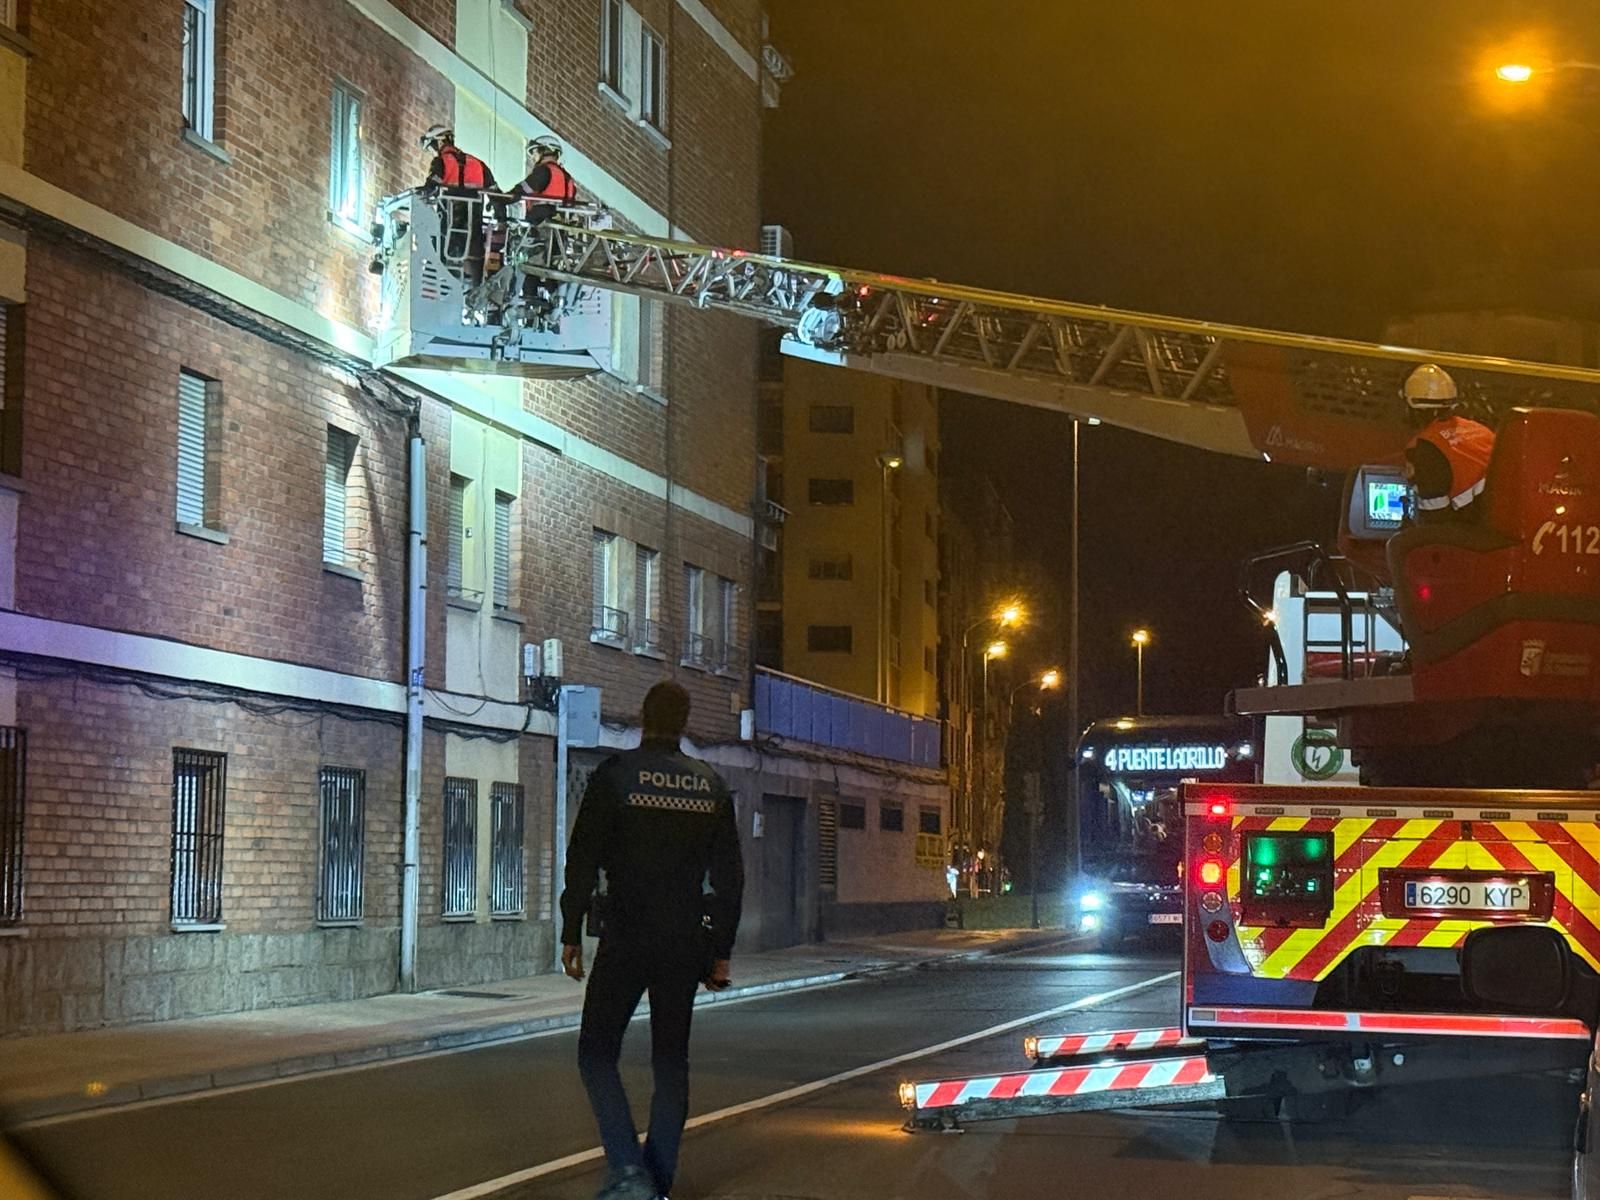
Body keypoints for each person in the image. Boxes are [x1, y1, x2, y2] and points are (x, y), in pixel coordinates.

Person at [561, 681, 744, 1200]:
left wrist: (570, 929)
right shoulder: (709, 785)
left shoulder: (615, 776)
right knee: (671, 1062)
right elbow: (730, 877)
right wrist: (722, 952)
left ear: (643, 717)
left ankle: (627, 1169)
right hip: (685, 939)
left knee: (596, 1053)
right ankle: (657, 1180)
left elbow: (583, 857)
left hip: (625, 934)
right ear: (686, 723)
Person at [1401, 363, 1496, 522]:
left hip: (1478, 527)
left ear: (1413, 408)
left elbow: (1435, 518)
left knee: (1403, 542)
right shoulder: (1479, 429)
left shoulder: (1426, 449)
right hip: (1503, 521)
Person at [419, 124, 500, 285]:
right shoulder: (478, 164)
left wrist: (418, 197)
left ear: (440, 142)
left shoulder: (441, 162)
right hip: (473, 229)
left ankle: (431, 283)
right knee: (475, 259)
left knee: (434, 252)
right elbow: (497, 194)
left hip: (449, 226)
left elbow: (430, 188)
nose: (434, 151)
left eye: (433, 146)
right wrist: (500, 214)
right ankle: (473, 285)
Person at [513, 136, 580, 314]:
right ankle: (554, 304)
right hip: (560, 232)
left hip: (542, 228)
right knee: (551, 268)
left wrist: (501, 199)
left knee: (531, 265)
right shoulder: (567, 178)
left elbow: (523, 189)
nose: (533, 158)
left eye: (535, 152)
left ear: (545, 151)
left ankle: (530, 301)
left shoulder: (543, 172)